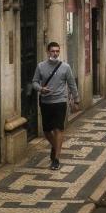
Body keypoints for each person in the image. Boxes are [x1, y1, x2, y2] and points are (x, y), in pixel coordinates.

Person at [32, 42, 79, 170]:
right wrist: (41, 89)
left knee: (58, 129)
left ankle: (56, 159)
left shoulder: (65, 67)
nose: (55, 53)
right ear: (48, 52)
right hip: (45, 102)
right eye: (52, 51)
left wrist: (76, 99)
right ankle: (55, 146)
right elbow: (34, 82)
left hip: (60, 102)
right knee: (47, 131)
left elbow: (72, 84)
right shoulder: (41, 66)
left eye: (57, 51)